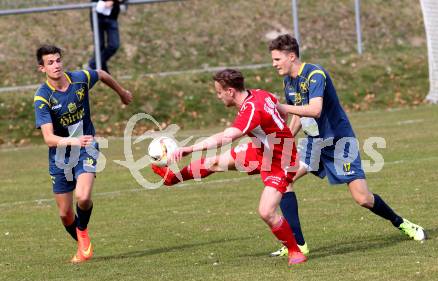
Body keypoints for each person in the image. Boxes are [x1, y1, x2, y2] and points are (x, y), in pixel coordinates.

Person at [268, 34, 427, 257]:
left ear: (291, 56)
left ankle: (402, 223)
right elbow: (298, 115)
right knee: (284, 180)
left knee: (363, 198)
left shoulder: (315, 74)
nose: (274, 64)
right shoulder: (289, 81)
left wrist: (282, 108)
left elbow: (314, 110)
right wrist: (284, 140)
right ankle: (297, 244)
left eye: (277, 59)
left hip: (339, 142)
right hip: (315, 143)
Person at [152, 69, 307, 266]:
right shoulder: (260, 93)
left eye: (219, 92)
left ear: (230, 91)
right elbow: (280, 109)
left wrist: (189, 148)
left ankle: (295, 251)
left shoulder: (250, 110)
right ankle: (171, 178)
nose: (218, 96)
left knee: (266, 211)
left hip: (282, 160)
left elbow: (225, 138)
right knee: (212, 162)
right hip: (261, 151)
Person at [33, 44, 132, 263]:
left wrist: (122, 92)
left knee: (84, 196)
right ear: (42, 68)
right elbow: (49, 138)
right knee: (64, 214)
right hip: (60, 157)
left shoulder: (79, 78)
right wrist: (73, 140)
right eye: (50, 62)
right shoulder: (42, 98)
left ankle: (83, 232)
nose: (56, 65)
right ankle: (81, 242)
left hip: (86, 147)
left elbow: (102, 74)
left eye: (58, 60)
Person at [88, 0, 126, 73]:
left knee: (114, 45)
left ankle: (93, 64)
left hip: (112, 16)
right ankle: (102, 72)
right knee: (99, 45)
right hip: (97, 15)